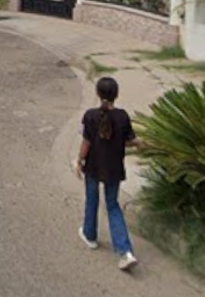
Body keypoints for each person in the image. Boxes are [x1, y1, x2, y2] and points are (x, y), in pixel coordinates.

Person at [75, 76, 140, 271]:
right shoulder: (123, 116)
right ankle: (125, 252)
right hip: (114, 169)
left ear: (97, 93)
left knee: (92, 199)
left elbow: (86, 142)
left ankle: (90, 235)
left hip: (93, 167)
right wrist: (142, 143)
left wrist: (79, 161)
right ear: (116, 95)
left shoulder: (90, 116)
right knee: (112, 205)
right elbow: (129, 140)